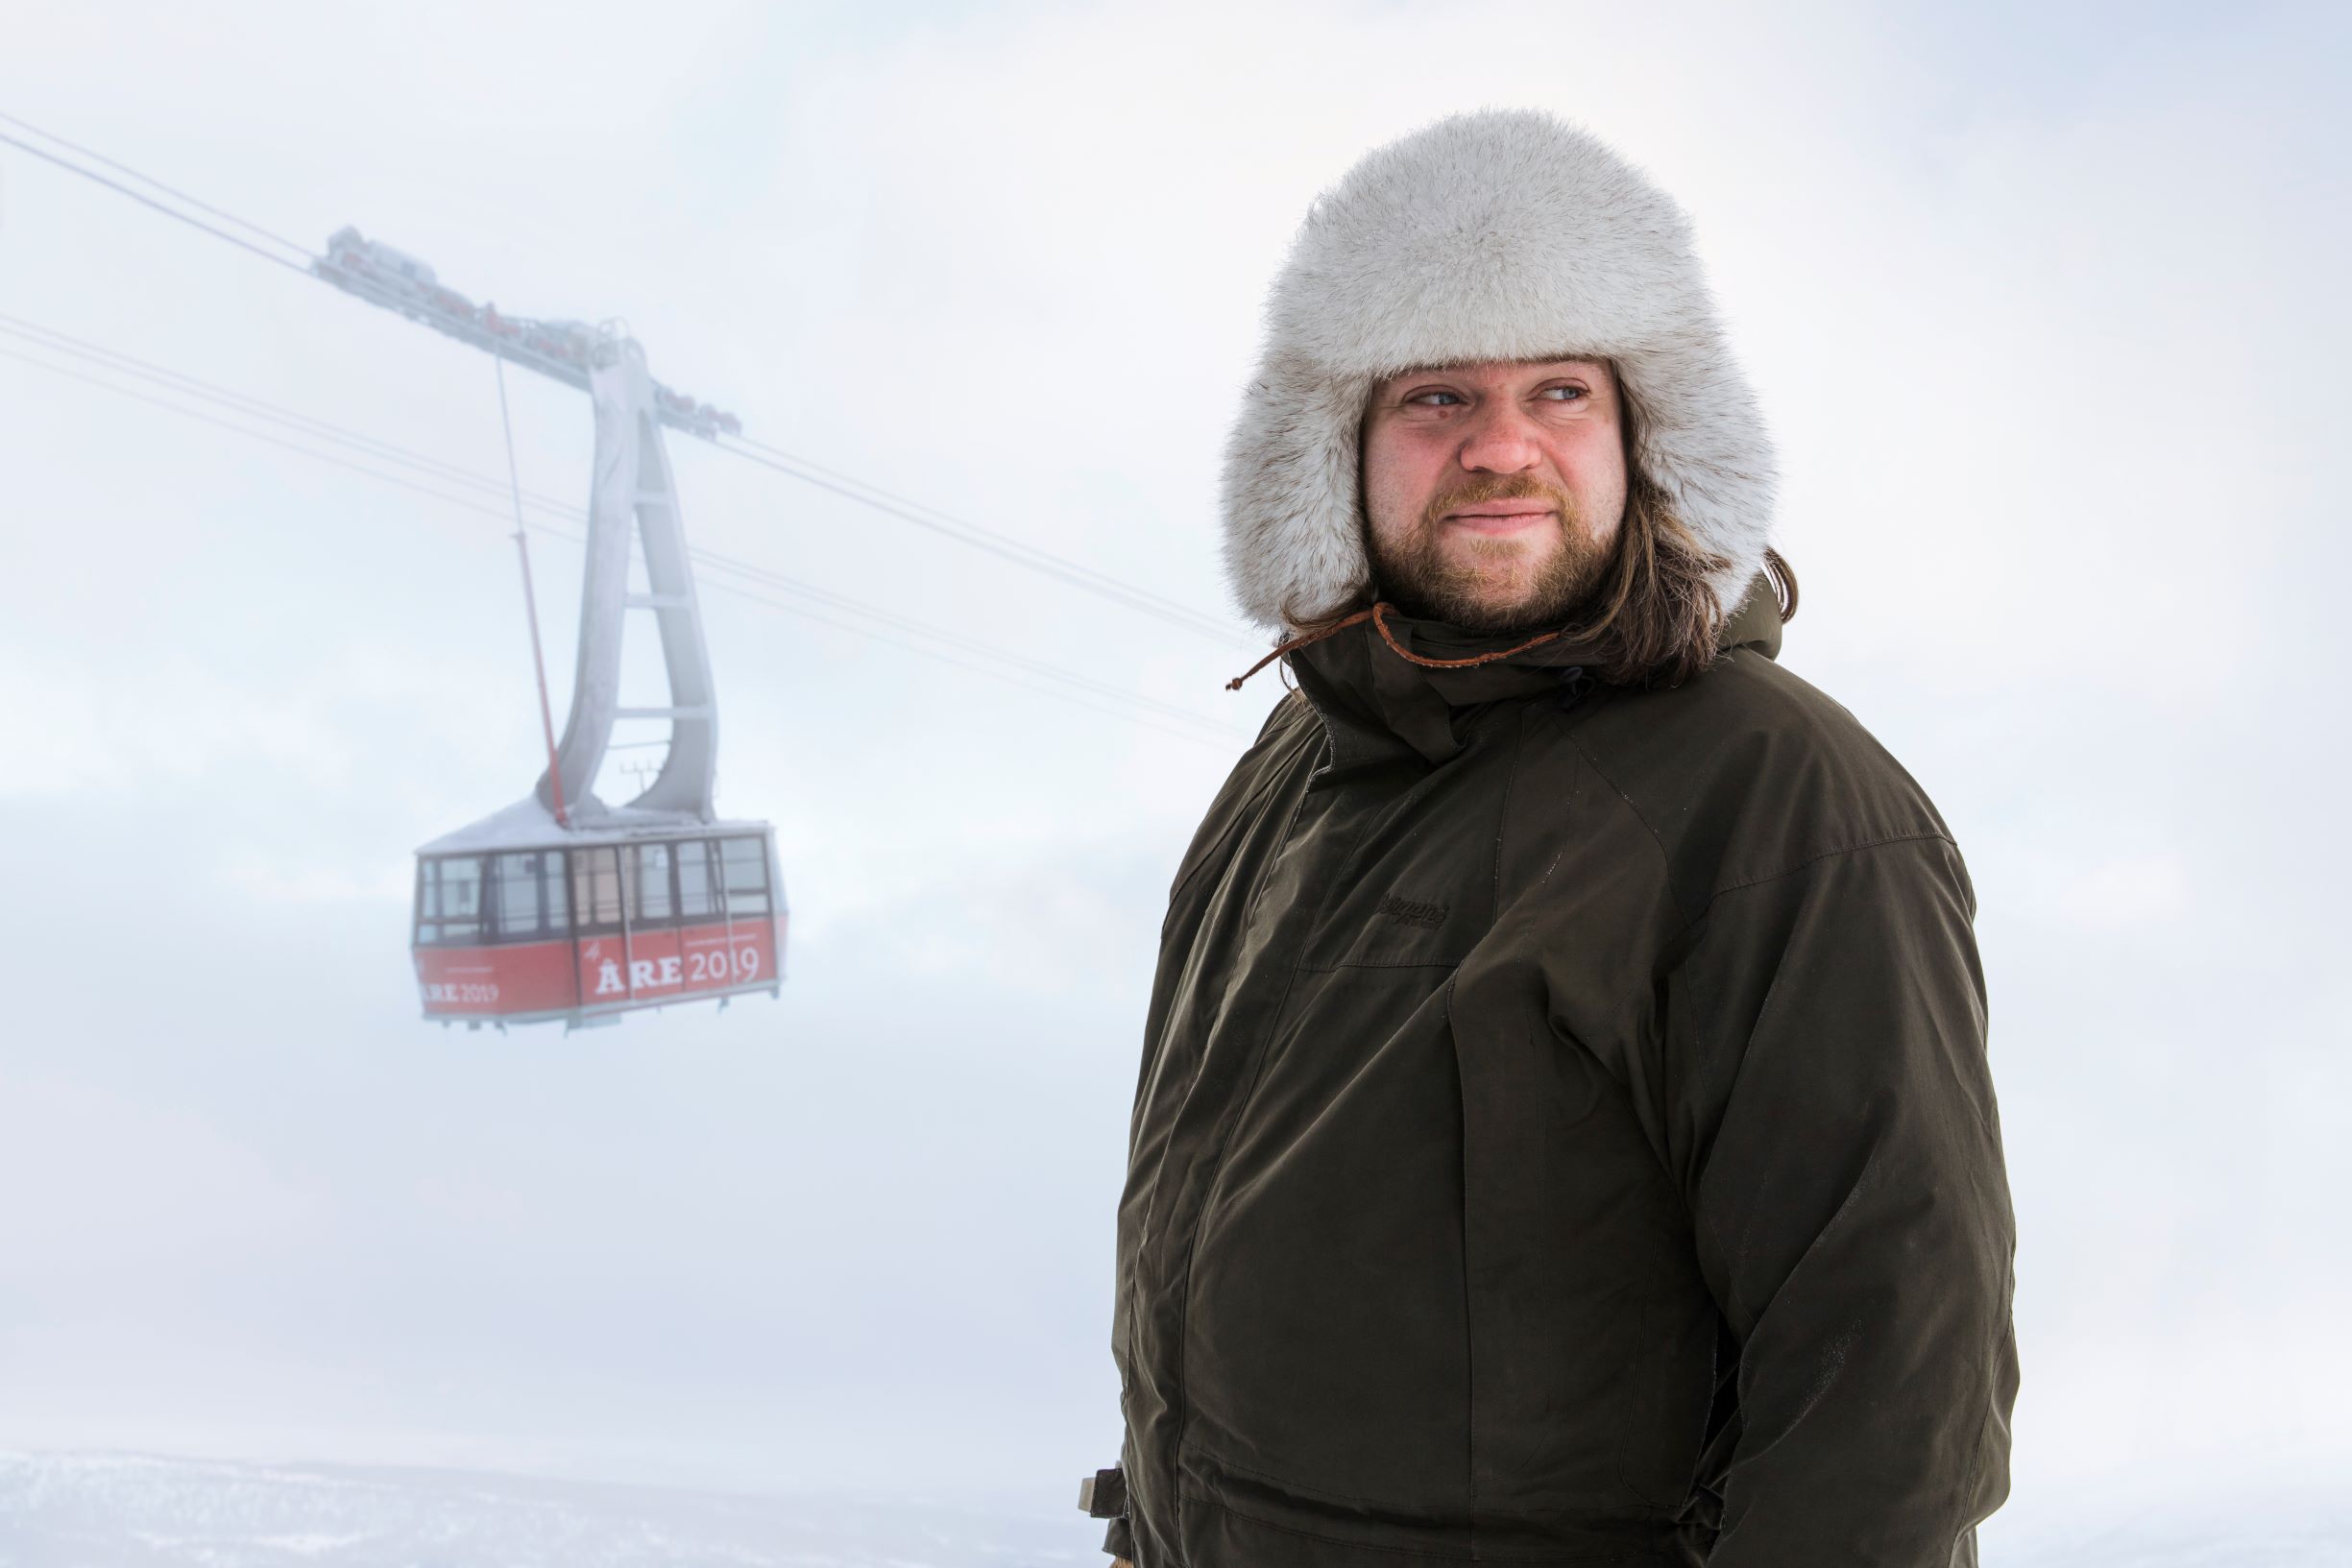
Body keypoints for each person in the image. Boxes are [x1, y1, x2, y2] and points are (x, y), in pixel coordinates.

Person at [1080, 110, 2018, 1567]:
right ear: (1337, 448)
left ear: (1645, 435)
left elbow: (1888, 1380)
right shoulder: (1299, 759)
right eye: (1438, 394)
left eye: (1560, 390)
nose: (1500, 447)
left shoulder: (1775, 798)